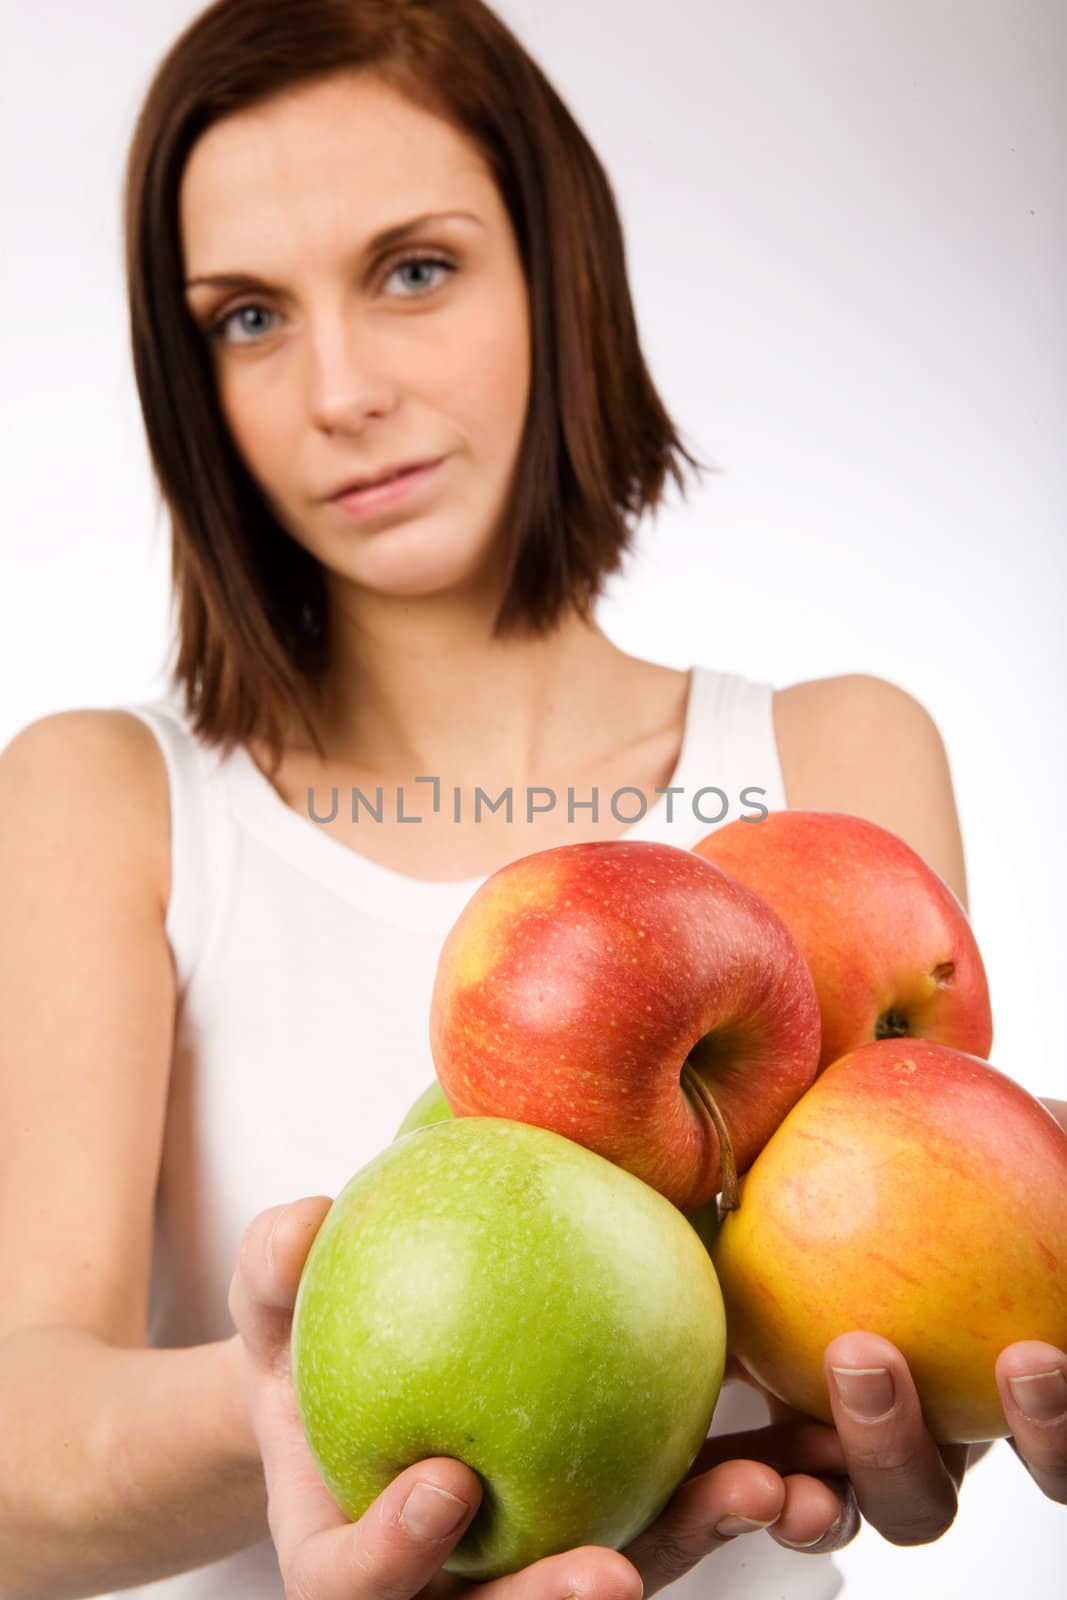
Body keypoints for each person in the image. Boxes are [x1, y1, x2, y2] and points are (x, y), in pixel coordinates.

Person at [0, 0, 1063, 1596]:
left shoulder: (835, 770)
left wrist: (970, 1359)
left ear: (555, 271)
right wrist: (320, 1395)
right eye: (245, 317)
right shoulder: (109, 800)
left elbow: (921, 1252)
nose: (339, 388)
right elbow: (14, 1465)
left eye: (412, 269)